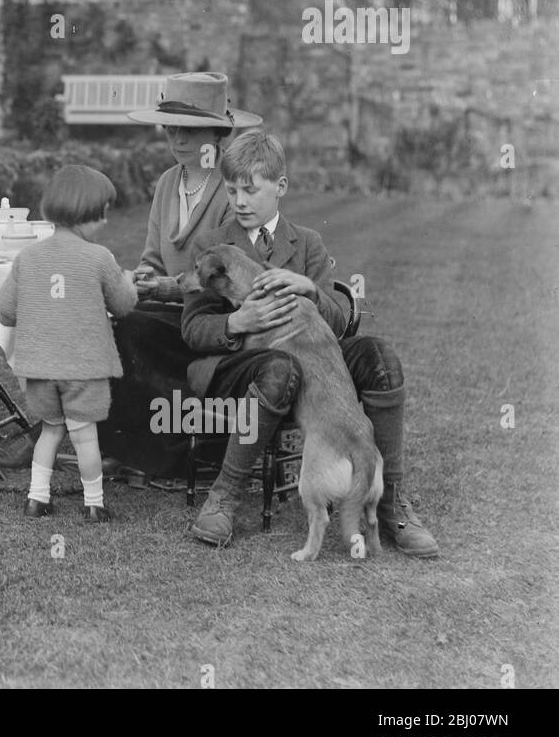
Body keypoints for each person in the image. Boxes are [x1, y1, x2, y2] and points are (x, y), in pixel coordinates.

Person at [0, 72, 261, 474]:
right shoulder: (169, 183)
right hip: (173, 312)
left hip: (214, 320)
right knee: (101, 316)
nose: (177, 140)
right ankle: (83, 433)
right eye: (170, 128)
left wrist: (162, 287)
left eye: (190, 130)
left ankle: (74, 435)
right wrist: (140, 277)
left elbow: (228, 281)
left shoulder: (231, 190)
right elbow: (152, 257)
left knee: (124, 326)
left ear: (217, 134)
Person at [182, 131, 439, 557]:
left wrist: (312, 291)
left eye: (251, 190)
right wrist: (235, 319)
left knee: (380, 357)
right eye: (231, 191)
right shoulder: (211, 246)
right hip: (239, 366)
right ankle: (225, 495)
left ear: (280, 187)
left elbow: (341, 324)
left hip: (315, 355)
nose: (240, 201)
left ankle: (391, 501)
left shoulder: (307, 244)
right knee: (280, 367)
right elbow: (192, 329)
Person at [0, 166, 138, 522]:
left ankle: (37, 498)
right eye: (103, 213)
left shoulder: (27, 257)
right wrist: (129, 280)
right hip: (83, 370)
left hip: (39, 371)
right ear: (85, 215)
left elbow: (5, 311)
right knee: (86, 438)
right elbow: (122, 304)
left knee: (50, 431)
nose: (106, 221)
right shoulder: (99, 258)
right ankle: (94, 503)